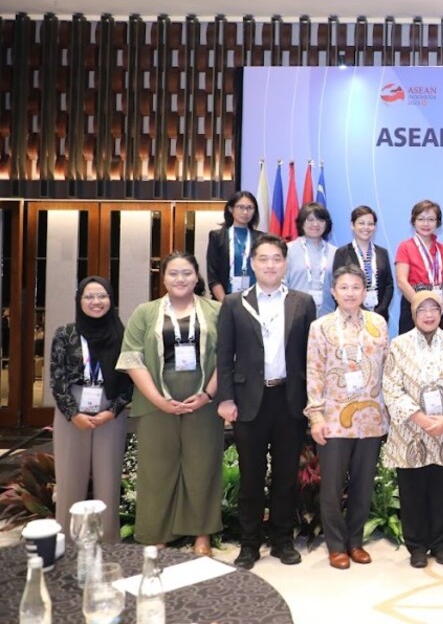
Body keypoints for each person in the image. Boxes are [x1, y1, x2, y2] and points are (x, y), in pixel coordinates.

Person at [216, 234, 318, 570]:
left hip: (289, 400)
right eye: (264, 258)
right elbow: (224, 355)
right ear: (252, 263)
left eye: (277, 258)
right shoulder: (234, 303)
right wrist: (226, 398)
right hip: (249, 401)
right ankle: (249, 544)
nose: (270, 265)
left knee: (286, 477)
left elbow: (311, 356)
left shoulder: (302, 302)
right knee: (251, 476)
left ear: (285, 263)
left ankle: (282, 540)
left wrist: (312, 402)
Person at [117, 252, 222, 555]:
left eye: (187, 273)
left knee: (203, 465)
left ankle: (202, 534)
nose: (180, 279)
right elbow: (132, 358)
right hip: (155, 401)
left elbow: (228, 357)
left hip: (204, 402)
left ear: (197, 276)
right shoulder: (145, 312)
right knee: (157, 468)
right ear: (162, 278)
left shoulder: (215, 310)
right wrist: (158, 400)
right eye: (173, 273)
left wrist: (208, 395)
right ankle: (158, 532)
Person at [382, 291, 443, 568]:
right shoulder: (399, 345)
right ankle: (417, 546)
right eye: (422, 309)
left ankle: (441, 544)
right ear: (414, 314)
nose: (428, 315)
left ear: (441, 312)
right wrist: (421, 419)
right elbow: (391, 387)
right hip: (412, 431)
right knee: (412, 492)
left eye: (434, 309)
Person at [305, 265, 390, 569]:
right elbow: (314, 372)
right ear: (333, 291)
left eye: (356, 287)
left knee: (363, 486)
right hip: (334, 418)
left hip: (371, 418)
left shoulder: (378, 323)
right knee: (332, 487)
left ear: (364, 291)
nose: (350, 293)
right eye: (344, 287)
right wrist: (316, 417)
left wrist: (390, 412)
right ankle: (336, 545)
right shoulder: (321, 327)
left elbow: (386, 369)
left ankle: (355, 542)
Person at [51, 277, 133, 544]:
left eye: (102, 296)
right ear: (79, 301)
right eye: (89, 296)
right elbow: (57, 378)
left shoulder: (122, 335)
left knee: (108, 481)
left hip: (110, 409)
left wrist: (113, 411)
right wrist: (73, 414)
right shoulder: (65, 333)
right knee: (69, 481)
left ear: (111, 300)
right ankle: (66, 542)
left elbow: (130, 380)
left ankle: (109, 545)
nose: (96, 302)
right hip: (72, 410)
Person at [394, 200, 443, 335]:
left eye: (431, 219)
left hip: (437, 307)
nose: (426, 224)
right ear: (414, 222)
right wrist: (420, 305)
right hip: (412, 305)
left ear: (437, 223)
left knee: (437, 345)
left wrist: (442, 305)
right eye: (421, 219)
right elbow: (401, 281)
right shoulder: (405, 247)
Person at [332, 205, 395, 324]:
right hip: (350, 315)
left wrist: (380, 310)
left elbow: (389, 285)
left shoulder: (382, 252)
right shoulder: (342, 253)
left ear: (375, 227)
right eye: (361, 223)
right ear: (352, 225)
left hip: (379, 316)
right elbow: (337, 284)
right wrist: (360, 311)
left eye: (370, 224)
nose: (366, 227)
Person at [206, 191, 264, 300]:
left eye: (250, 208)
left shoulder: (261, 238)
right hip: (226, 298)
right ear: (230, 209)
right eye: (241, 207)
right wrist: (225, 303)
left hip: (256, 299)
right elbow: (213, 277)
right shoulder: (217, 237)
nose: (245, 212)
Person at [286, 202, 337, 316]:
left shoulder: (335, 252)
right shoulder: (288, 250)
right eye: (310, 219)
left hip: (327, 315)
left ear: (327, 224)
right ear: (301, 223)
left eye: (320, 220)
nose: (315, 224)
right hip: (295, 314)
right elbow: (282, 284)